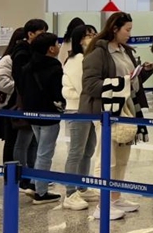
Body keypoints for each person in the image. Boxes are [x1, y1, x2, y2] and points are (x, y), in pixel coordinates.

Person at [81, 12, 153, 220]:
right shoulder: (98, 53)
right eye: (127, 30)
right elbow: (90, 85)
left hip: (127, 108)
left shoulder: (125, 51)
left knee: (122, 157)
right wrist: (122, 81)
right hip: (106, 111)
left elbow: (131, 80)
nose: (130, 34)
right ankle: (102, 204)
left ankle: (115, 197)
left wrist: (143, 72)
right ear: (115, 29)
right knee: (107, 158)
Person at [20, 32, 65, 204]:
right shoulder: (54, 67)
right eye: (57, 44)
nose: (59, 47)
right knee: (45, 153)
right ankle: (41, 192)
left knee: (40, 150)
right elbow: (57, 92)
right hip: (48, 114)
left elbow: (22, 89)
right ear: (51, 49)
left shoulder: (28, 66)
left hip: (32, 114)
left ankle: (34, 183)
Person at [62, 24, 100, 210]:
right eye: (88, 35)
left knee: (88, 150)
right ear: (79, 40)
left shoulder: (87, 57)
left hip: (89, 110)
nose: (92, 37)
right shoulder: (76, 59)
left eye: (94, 34)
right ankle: (70, 193)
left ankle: (82, 186)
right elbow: (82, 86)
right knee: (76, 151)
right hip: (77, 110)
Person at [10, 19, 48, 193]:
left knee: (33, 142)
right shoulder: (22, 52)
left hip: (35, 101)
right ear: (30, 34)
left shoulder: (32, 51)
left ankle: (33, 177)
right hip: (26, 101)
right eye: (41, 33)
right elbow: (21, 78)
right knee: (23, 141)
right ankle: (22, 177)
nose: (43, 37)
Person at [0, 27, 26, 165]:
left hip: (20, 104)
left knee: (22, 141)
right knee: (12, 141)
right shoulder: (8, 59)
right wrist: (19, 87)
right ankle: (9, 175)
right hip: (9, 105)